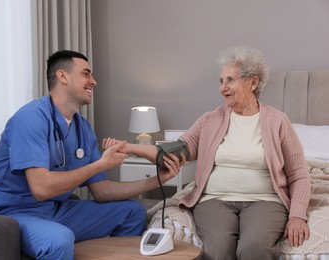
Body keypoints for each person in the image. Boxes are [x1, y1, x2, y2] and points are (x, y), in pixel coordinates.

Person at [105, 46, 311, 259]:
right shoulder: (210, 120)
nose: (223, 88)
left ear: (253, 82)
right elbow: (174, 151)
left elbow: (299, 175)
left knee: (253, 249)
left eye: (230, 80)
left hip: (265, 201)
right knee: (217, 251)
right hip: (214, 200)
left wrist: (297, 215)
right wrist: (130, 147)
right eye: (221, 81)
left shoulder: (278, 121)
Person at [0, 50, 184, 260]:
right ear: (63, 76)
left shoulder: (82, 128)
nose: (93, 82)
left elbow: (102, 192)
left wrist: (157, 180)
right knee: (59, 240)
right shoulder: (30, 119)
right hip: (14, 215)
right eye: (86, 74)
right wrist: (101, 165)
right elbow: (41, 188)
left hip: (55, 210)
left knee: (133, 212)